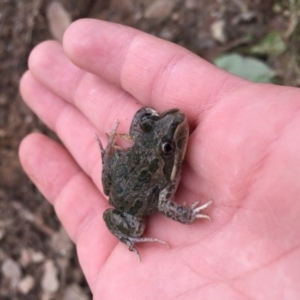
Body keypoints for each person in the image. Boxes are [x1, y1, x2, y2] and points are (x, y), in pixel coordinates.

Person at [19, 19, 300, 299]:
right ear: (168, 154)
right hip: (129, 207)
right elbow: (164, 205)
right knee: (138, 224)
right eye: (168, 147)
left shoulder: (152, 145)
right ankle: (129, 231)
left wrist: (137, 134)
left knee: (120, 164)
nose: (174, 120)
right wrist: (187, 216)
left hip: (119, 179)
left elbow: (140, 124)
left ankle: (114, 158)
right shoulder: (164, 186)